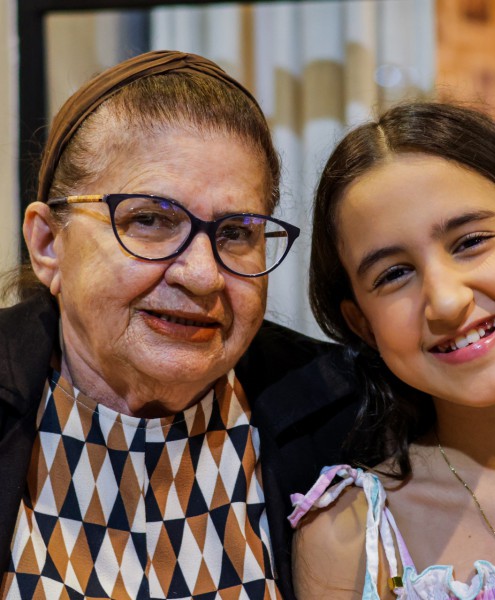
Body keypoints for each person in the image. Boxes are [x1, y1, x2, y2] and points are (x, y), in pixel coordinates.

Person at [0, 50, 360, 600]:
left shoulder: (345, 414)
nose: (202, 275)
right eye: (149, 220)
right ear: (48, 244)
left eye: (237, 232)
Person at [290, 101, 495, 599]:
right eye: (394, 274)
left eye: (470, 241)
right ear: (362, 325)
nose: (447, 301)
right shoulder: (352, 535)